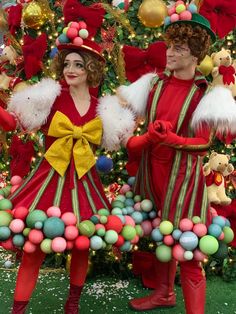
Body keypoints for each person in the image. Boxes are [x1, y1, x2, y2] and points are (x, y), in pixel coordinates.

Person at [116, 8, 236, 314]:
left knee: (189, 247)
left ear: (195, 54)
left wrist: (170, 139)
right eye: (170, 46)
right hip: (152, 171)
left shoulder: (206, 94)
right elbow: (130, 126)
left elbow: (204, 143)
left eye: (179, 49)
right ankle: (165, 294)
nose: (170, 53)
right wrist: (147, 137)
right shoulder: (154, 84)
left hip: (183, 179)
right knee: (162, 232)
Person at [0, 32, 110, 314]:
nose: (70, 70)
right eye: (67, 64)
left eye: (78, 65)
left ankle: (72, 304)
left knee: (83, 245)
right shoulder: (50, 96)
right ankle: (18, 309)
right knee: (33, 248)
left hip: (84, 183)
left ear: (91, 70)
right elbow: (16, 121)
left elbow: (117, 136)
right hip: (48, 181)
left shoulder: (102, 106)